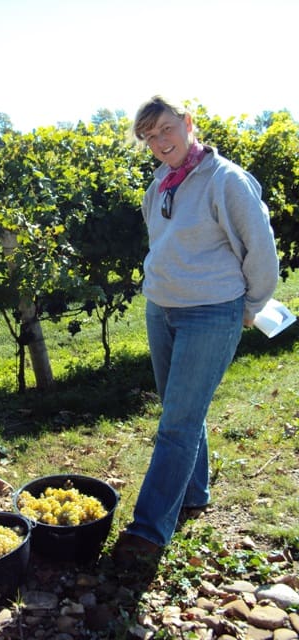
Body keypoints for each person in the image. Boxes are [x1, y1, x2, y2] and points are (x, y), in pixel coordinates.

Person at [113, 95, 279, 564]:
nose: (159, 142)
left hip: (210, 312)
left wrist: (252, 305)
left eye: (166, 129)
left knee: (176, 424)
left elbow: (261, 249)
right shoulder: (162, 181)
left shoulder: (226, 180)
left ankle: (148, 531)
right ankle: (194, 492)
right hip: (161, 309)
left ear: (188, 123)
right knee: (180, 411)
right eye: (149, 137)